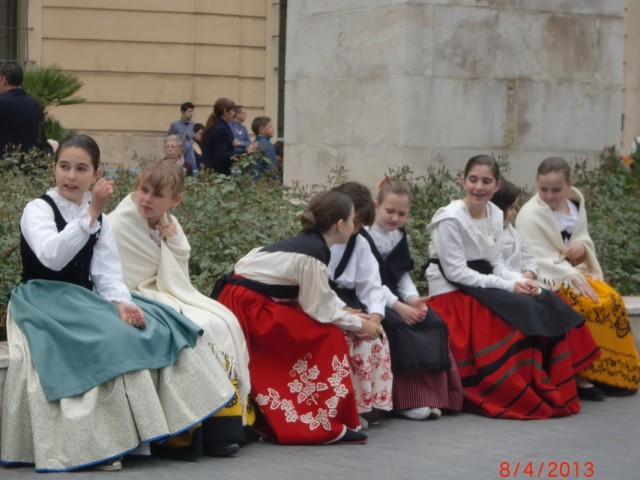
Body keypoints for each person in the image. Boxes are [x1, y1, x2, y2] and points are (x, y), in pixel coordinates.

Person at [0, 135, 237, 472]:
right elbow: (52, 257)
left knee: (159, 324)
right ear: (53, 169)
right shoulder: (38, 209)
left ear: (96, 174)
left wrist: (121, 302)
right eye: (64, 166)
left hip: (82, 297)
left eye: (81, 168)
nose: (71, 176)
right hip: (42, 298)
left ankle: (179, 432)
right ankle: (97, 443)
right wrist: (91, 214)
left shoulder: (98, 218)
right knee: (107, 339)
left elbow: (107, 272)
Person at [425, 154, 599, 419]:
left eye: (486, 181)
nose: (478, 187)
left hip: (482, 283)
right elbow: (456, 272)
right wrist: (508, 286)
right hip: (452, 290)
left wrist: (521, 281)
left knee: (545, 300)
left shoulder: (495, 213)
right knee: (517, 315)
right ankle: (516, 389)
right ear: (462, 180)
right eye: (473, 179)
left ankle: (559, 380)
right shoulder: (449, 218)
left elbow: (496, 262)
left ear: (496, 185)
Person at [214, 190, 383, 445]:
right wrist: (361, 324)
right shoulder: (312, 253)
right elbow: (321, 311)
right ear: (339, 225)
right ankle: (316, 418)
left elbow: (312, 300)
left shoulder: (308, 244)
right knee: (327, 335)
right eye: (352, 221)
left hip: (249, 301)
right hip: (250, 308)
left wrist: (347, 316)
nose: (354, 227)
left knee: (321, 330)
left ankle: (311, 413)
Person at [108, 159, 253, 456]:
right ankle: (190, 431)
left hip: (162, 291)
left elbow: (178, 277)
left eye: (157, 195)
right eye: (143, 190)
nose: (147, 199)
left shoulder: (169, 224)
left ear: (174, 200)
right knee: (193, 327)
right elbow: (114, 274)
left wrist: (171, 243)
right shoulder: (118, 223)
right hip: (130, 294)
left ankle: (226, 425)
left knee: (221, 321)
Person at [516, 156, 640, 397]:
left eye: (556, 189)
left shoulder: (575, 205)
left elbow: (583, 239)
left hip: (573, 273)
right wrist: (568, 272)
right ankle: (583, 376)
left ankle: (613, 372)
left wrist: (580, 249)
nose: (549, 196)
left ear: (570, 184)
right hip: (548, 278)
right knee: (582, 306)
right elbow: (533, 257)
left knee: (612, 301)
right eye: (543, 189)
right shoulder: (529, 214)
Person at [361, 178, 464, 419]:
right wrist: (399, 306)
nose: (395, 218)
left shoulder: (400, 236)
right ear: (376, 206)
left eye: (401, 214)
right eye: (390, 211)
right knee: (398, 326)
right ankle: (403, 401)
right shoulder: (364, 236)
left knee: (433, 322)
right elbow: (371, 281)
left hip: (395, 297)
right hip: (371, 298)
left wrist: (413, 299)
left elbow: (402, 275)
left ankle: (434, 396)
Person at [326, 182, 394, 423]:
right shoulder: (318, 241)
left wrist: (375, 316)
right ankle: (344, 408)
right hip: (326, 302)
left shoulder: (360, 243)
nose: (355, 229)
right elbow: (316, 284)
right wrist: (344, 311)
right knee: (348, 335)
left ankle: (367, 406)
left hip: (350, 301)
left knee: (376, 335)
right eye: (352, 222)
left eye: (360, 224)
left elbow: (372, 284)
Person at [201, 98, 256, 175]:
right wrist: (245, 152)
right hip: (218, 174)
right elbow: (222, 155)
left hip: (211, 172)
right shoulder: (221, 129)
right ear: (225, 112)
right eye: (232, 110)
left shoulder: (214, 125)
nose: (234, 113)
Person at [0, 62, 41, 156]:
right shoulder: (34, 103)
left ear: (3, 79)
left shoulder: (2, 102)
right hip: (29, 160)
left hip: (5, 161)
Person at [167, 102, 196, 172]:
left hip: (191, 154)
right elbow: (168, 139)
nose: (191, 114)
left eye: (192, 111)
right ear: (183, 112)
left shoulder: (194, 125)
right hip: (179, 154)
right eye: (189, 111)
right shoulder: (175, 125)